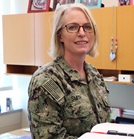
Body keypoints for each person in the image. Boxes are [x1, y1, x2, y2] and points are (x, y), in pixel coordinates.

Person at [28, 3, 111, 139]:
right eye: (73, 27)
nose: (82, 33)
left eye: (87, 27)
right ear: (60, 35)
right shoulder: (47, 80)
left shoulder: (94, 75)